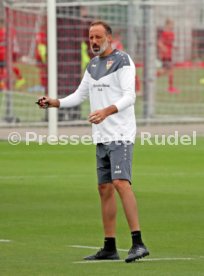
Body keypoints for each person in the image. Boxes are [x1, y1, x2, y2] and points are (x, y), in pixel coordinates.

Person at [36, 20, 149, 263]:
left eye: (98, 37)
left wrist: (106, 112)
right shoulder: (92, 65)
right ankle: (109, 247)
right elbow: (79, 95)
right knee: (104, 188)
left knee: (120, 183)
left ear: (109, 37)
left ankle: (138, 242)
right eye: (91, 38)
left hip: (120, 134)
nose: (94, 42)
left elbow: (130, 96)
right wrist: (54, 102)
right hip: (101, 136)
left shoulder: (123, 61)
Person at [157, 19, 179, 94]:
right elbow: (159, 43)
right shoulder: (164, 33)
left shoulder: (172, 34)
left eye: (173, 24)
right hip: (165, 55)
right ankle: (170, 88)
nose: (172, 26)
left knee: (166, 70)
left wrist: (174, 47)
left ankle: (152, 77)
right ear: (167, 25)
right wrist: (163, 48)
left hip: (169, 55)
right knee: (169, 70)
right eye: (171, 24)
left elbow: (170, 44)